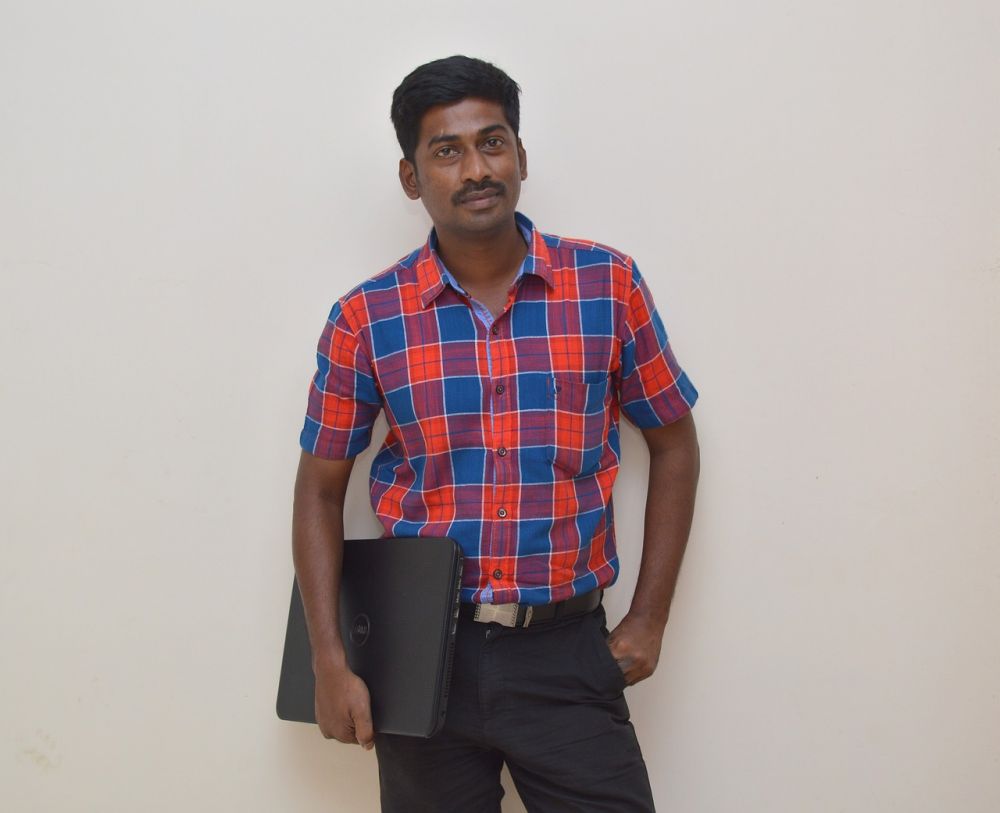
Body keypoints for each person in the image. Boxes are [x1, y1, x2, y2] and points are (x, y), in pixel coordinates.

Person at [292, 55, 700, 812]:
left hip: (566, 651)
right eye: (447, 150)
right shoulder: (366, 318)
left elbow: (675, 445)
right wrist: (329, 659)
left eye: (493, 142)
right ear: (412, 177)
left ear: (521, 155)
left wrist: (649, 618)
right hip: (420, 656)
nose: (476, 169)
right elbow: (318, 492)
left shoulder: (606, 287)